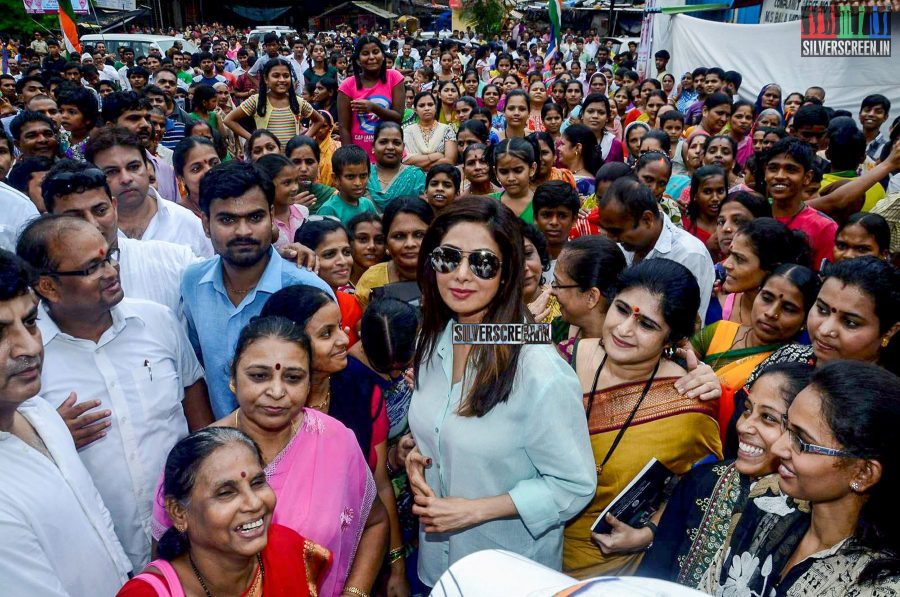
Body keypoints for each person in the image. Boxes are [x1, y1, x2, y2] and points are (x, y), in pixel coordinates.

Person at [404, 197, 596, 588]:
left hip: (508, 576)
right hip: (436, 568)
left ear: (507, 274)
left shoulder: (538, 369)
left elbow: (574, 484)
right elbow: (443, 430)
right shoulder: (434, 339)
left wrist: (474, 511)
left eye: (482, 263)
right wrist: (415, 455)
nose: (461, 275)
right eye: (448, 258)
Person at [16, 215, 212, 569]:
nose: (110, 272)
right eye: (92, 266)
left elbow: (199, 418)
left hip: (186, 540)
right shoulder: (26, 362)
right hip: (92, 557)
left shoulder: (157, 321)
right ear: (48, 287)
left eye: (109, 258)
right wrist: (49, 440)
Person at [146, 319, 387, 597]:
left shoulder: (337, 441)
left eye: (293, 378)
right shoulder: (196, 459)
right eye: (259, 376)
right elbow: (163, 567)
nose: (276, 392)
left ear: (310, 383)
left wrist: (355, 592)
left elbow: (375, 523)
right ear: (233, 380)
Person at [564, 259, 723, 577]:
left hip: (605, 571)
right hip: (529, 544)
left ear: (672, 338)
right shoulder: (565, 357)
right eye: (621, 309)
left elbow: (708, 491)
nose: (624, 329)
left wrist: (648, 534)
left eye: (647, 325)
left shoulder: (687, 405)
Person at [702, 361, 900, 595]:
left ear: (863, 473)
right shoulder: (768, 500)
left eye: (802, 441)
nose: (778, 448)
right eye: (787, 428)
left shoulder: (881, 584)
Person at [0, 249, 133, 595]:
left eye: (29, 323)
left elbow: (96, 518)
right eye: (0, 334)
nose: (27, 347)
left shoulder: (40, 413)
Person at [638, 362, 815, 588]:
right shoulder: (703, 482)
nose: (743, 426)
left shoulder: (812, 516)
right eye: (747, 410)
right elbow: (651, 579)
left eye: (768, 418)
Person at [180, 161, 334, 419]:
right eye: (227, 219)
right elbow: (198, 370)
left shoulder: (309, 290)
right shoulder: (193, 283)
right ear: (206, 224)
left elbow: (328, 382)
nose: (243, 231)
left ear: (272, 216)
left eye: (255, 217)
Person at [123, 426, 333, 597]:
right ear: (178, 512)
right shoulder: (146, 593)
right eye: (226, 493)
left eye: (258, 482)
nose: (253, 503)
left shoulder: (287, 548)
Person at [41, 159, 199, 316]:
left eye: (101, 210)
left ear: (114, 207)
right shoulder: (42, 290)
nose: (92, 225)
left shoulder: (177, 261)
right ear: (50, 222)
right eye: (75, 218)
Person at [693, 263, 819, 433]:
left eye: (788, 309)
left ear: (806, 320)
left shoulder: (791, 366)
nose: (771, 313)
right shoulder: (719, 330)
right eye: (767, 298)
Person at [747, 256, 900, 379]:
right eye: (822, 309)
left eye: (850, 322)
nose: (825, 329)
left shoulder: (888, 403)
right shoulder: (786, 359)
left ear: (890, 331)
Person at [596, 177, 715, 318]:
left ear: (647, 219)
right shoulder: (622, 246)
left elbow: (688, 324)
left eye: (617, 231)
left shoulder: (689, 255)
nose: (612, 238)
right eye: (607, 230)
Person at [85, 128, 214, 258]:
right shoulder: (87, 230)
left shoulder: (187, 223)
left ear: (147, 168)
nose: (126, 178)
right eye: (111, 172)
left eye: (134, 167)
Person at [764, 137, 838, 270]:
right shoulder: (754, 213)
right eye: (773, 168)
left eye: (791, 169)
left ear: (807, 177)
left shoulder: (824, 228)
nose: (780, 176)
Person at [227, 58, 323, 151]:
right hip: (267, 160)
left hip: (290, 161)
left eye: (286, 76)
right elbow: (229, 120)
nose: (282, 80)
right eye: (276, 76)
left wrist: (303, 140)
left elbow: (319, 120)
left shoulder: (297, 101)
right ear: (265, 79)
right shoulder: (256, 100)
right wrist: (253, 138)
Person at [356, 196, 433, 309]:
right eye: (399, 236)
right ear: (386, 242)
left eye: (419, 235)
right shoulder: (372, 280)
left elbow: (464, 326)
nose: (410, 244)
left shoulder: (446, 276)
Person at [295, 218, 362, 343]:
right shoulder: (294, 308)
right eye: (329, 254)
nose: (343, 261)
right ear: (305, 258)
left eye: (347, 252)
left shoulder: (352, 304)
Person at [338, 35, 405, 160]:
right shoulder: (347, 85)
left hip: (390, 154)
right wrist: (350, 158)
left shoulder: (394, 77)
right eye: (365, 53)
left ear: (383, 55)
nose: (371, 57)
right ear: (358, 60)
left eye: (375, 52)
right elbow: (344, 128)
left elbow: (398, 118)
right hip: (361, 156)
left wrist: (373, 107)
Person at [368, 121, 425, 211]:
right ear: (373, 147)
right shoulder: (364, 174)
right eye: (383, 142)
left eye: (396, 143)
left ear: (403, 147)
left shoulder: (416, 177)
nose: (390, 147)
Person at [255, 154, 308, 248]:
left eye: (296, 181)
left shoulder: (303, 212)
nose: (295, 188)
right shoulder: (261, 222)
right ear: (267, 184)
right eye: (287, 183)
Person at [318, 145, 379, 225]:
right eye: (350, 177)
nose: (358, 183)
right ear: (336, 178)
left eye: (363, 176)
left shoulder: (367, 205)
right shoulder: (329, 210)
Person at [403, 91, 457, 170]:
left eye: (430, 105)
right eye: (422, 106)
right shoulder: (407, 131)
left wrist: (419, 164)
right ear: (415, 110)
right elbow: (406, 160)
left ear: (435, 107)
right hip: (414, 178)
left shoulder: (447, 129)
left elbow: (449, 161)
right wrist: (435, 156)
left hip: (440, 176)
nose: (427, 108)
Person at [490, 137, 539, 223]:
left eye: (518, 171)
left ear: (532, 169)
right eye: (504, 172)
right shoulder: (488, 203)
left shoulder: (542, 205)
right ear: (495, 172)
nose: (511, 178)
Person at [285, 134, 338, 212]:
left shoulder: (332, 196)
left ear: (318, 163)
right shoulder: (276, 197)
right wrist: (290, 209)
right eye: (296, 162)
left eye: (309, 162)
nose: (303, 169)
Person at [172, 136, 222, 217]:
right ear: (181, 178)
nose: (209, 170)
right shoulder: (177, 216)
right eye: (196, 168)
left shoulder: (238, 202)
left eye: (214, 163)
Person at [533, 180, 578, 269]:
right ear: (535, 218)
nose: (554, 222)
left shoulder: (581, 262)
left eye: (562, 216)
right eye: (546, 215)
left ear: (574, 220)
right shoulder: (524, 262)